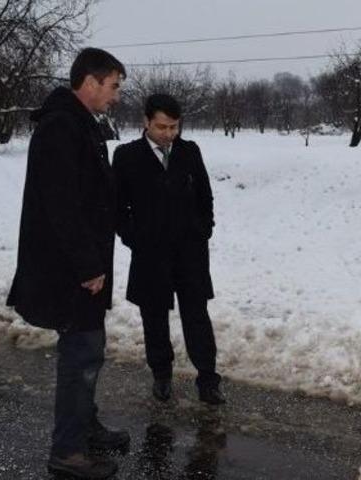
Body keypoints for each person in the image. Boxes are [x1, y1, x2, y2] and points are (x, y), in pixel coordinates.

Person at [7, 47, 129, 479]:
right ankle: (68, 452)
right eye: (113, 86)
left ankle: (85, 426)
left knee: (88, 349)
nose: (116, 95)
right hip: (70, 270)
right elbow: (61, 206)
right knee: (81, 353)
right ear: (91, 82)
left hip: (82, 264)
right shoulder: (61, 126)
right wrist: (87, 266)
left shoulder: (81, 123)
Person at [113, 93, 225, 405]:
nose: (169, 133)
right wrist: (133, 237)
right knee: (154, 317)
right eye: (162, 127)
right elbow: (118, 208)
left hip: (190, 252)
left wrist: (205, 228)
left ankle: (208, 380)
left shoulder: (189, 151)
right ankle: (161, 375)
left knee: (197, 316)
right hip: (150, 255)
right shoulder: (127, 156)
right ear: (146, 122)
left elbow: (205, 195)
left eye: (174, 127)